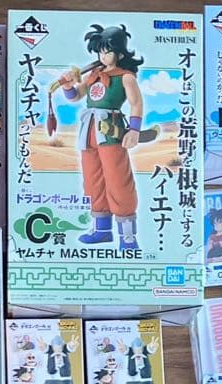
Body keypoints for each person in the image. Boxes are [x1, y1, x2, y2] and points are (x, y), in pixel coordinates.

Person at [57, 24, 145, 251]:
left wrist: (134, 130)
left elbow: (136, 104)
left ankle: (127, 235)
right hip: (88, 131)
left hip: (111, 130)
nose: (103, 56)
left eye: (107, 51)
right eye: (100, 51)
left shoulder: (126, 77)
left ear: (120, 53)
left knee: (118, 179)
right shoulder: (93, 75)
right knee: (93, 179)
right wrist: (68, 86)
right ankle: (102, 230)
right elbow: (75, 96)